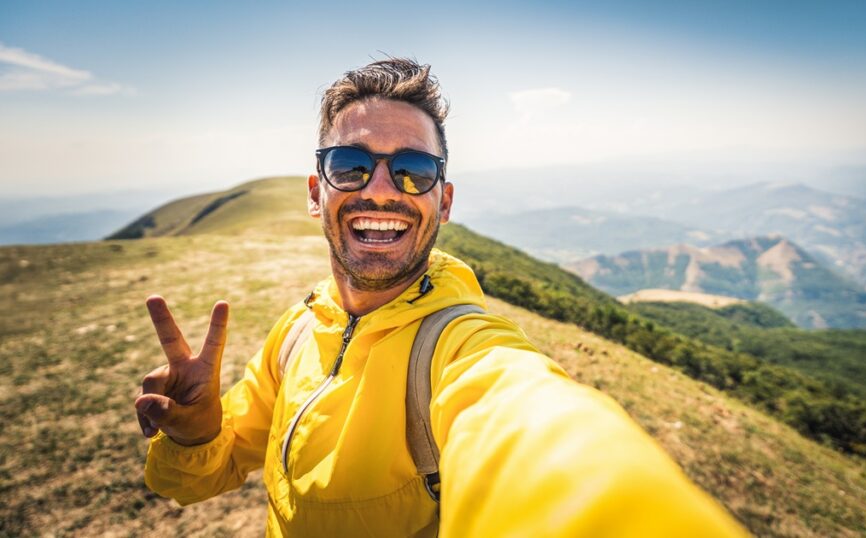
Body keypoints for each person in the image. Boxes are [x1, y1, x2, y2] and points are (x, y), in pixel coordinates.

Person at [135, 58, 746, 537]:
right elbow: (197, 481)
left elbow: (526, 425)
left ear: (443, 201)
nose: (381, 190)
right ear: (316, 193)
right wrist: (194, 432)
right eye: (349, 164)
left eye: (414, 170)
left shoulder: (460, 347)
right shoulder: (295, 331)